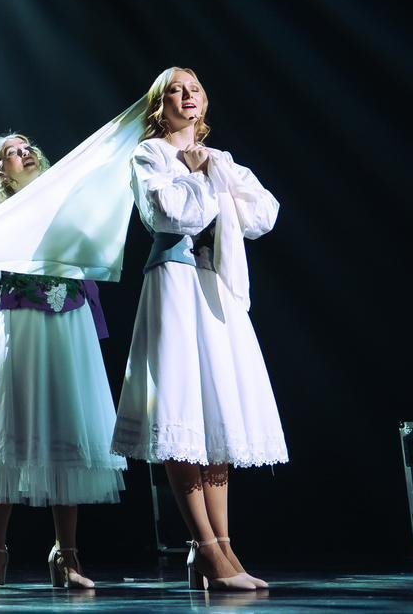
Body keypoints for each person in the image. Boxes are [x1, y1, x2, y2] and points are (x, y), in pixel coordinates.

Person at [111, 67, 287, 591]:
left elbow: (264, 214)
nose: (187, 96)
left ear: (204, 103)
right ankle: (205, 547)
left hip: (215, 288)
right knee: (181, 410)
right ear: (159, 105)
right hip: (174, 284)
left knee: (216, 415)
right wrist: (199, 178)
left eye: (194, 89)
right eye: (175, 90)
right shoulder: (149, 155)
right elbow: (169, 215)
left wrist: (213, 174)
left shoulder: (219, 159)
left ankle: (223, 547)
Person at [0, 134, 127, 591]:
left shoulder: (69, 204)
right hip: (21, 328)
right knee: (11, 425)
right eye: (12, 152)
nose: (25, 153)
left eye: (28, 147)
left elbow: (102, 233)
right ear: (1, 171)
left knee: (66, 424)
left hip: (69, 326)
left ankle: (67, 553)